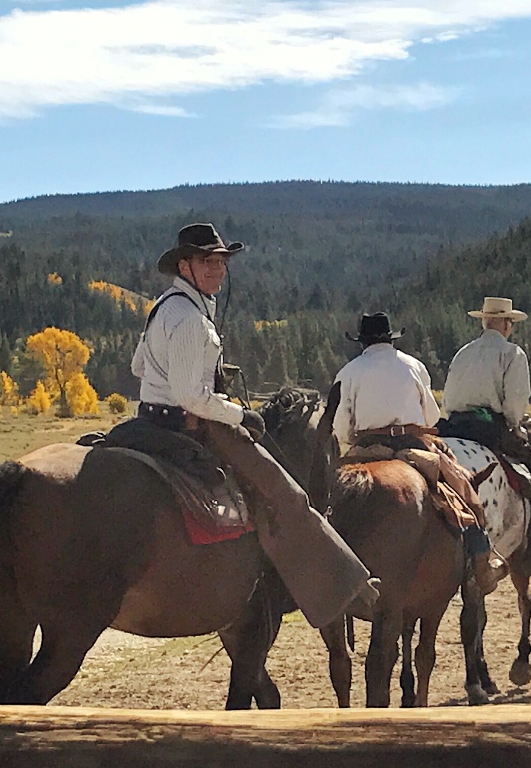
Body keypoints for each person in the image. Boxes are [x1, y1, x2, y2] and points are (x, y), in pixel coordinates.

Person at [117, 222, 378, 624]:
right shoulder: (191, 320)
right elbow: (191, 398)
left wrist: (202, 370)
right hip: (189, 424)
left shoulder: (164, 308)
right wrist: (240, 414)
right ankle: (341, 589)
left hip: (148, 421)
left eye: (222, 262)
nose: (218, 270)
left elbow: (139, 365)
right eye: (208, 262)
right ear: (184, 265)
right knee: (286, 492)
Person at [332, 312, 490, 563]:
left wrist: (353, 438)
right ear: (391, 339)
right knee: (460, 487)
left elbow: (341, 427)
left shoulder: (348, 372)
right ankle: (479, 555)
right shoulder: (414, 366)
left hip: (367, 445)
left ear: (362, 342)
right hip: (413, 441)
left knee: (331, 494)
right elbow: (431, 416)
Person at [442, 296, 531, 577]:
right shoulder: (511, 354)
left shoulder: (463, 353)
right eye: (510, 322)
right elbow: (514, 404)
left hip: (453, 426)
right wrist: (515, 426)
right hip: (489, 428)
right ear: (507, 324)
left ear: (484, 321)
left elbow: (448, 398)